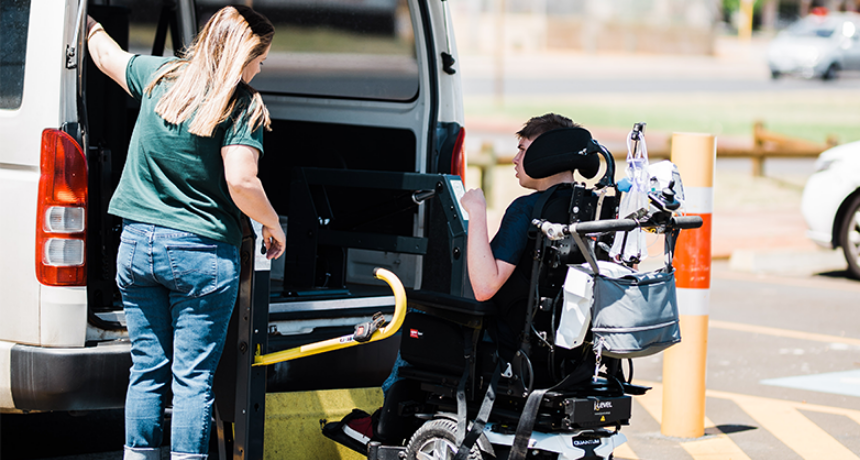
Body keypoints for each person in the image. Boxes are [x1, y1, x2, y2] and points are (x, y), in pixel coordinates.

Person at [86, 6, 283, 460]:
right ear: (242, 55)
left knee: (146, 370)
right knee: (192, 379)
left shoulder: (159, 75)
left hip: (137, 248)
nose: (259, 70)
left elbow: (104, 55)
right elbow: (241, 181)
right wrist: (272, 223)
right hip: (201, 255)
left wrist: (85, 21)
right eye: (259, 60)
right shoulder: (242, 103)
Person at [460, 113, 580, 357]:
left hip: (513, 345)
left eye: (523, 150)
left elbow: (484, 287)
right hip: (571, 347)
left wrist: (476, 211)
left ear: (544, 154)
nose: (515, 159)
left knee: (418, 312)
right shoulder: (594, 207)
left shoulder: (527, 209)